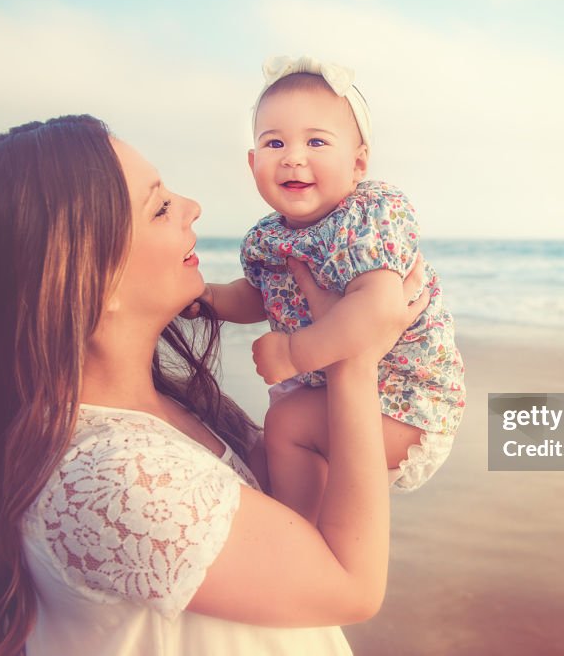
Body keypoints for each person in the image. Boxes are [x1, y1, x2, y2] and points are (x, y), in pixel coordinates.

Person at [0, 115, 428, 655]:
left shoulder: (168, 408)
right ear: (85, 279)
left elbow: (291, 531)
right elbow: (349, 587)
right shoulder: (115, 477)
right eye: (159, 206)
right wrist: (350, 360)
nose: (191, 207)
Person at [200, 56, 466, 521]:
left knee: (286, 424)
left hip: (403, 402)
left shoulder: (366, 217)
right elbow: (263, 297)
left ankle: (299, 533)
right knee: (275, 441)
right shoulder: (270, 236)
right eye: (274, 142)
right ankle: (304, 521)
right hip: (343, 394)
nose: (293, 156)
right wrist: (209, 300)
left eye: (316, 141)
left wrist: (296, 353)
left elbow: (379, 305)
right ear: (253, 162)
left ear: (358, 162)